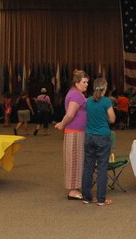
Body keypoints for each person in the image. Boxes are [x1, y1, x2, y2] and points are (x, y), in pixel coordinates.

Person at [54, 70, 89, 200]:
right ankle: (73, 191)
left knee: (77, 160)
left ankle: (75, 187)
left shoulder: (77, 94)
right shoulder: (76, 95)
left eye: (87, 82)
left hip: (78, 132)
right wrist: (62, 124)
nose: (86, 85)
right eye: (84, 82)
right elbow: (70, 114)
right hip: (75, 133)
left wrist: (61, 123)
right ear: (76, 82)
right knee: (74, 160)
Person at [81, 78, 115, 206]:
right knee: (102, 168)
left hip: (89, 136)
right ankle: (101, 199)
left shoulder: (88, 100)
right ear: (104, 88)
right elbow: (112, 119)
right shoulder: (106, 101)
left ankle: (86, 197)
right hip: (102, 137)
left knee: (88, 167)